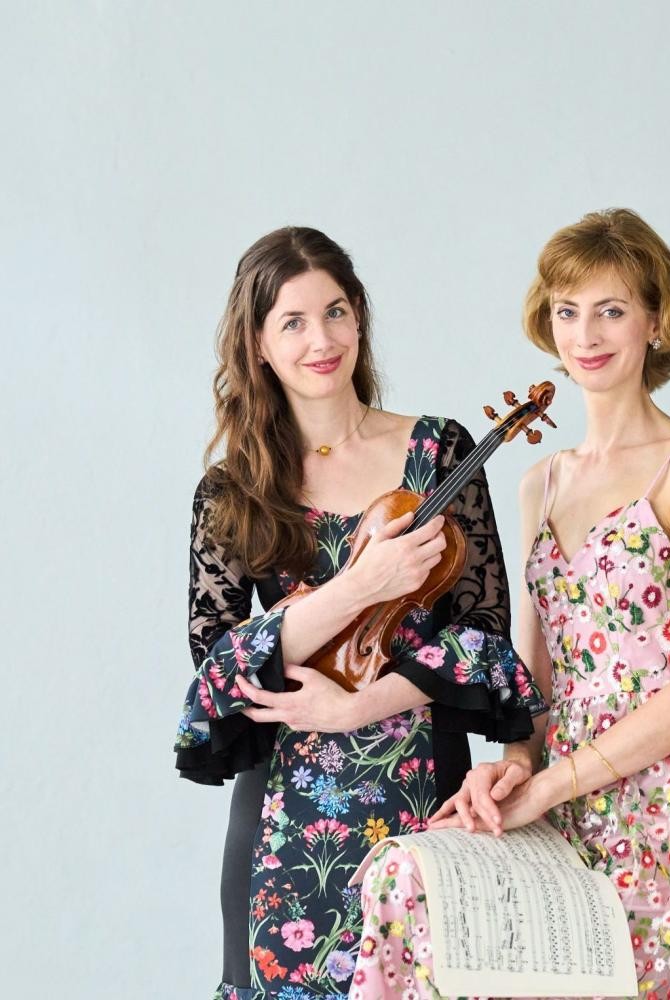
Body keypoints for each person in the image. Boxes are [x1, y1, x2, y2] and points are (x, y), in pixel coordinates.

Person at [351, 209, 670, 999]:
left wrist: (547, 784)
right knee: (406, 885)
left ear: (655, 321)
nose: (586, 334)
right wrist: (512, 771)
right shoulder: (539, 481)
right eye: (567, 311)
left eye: (611, 310)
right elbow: (536, 687)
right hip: (562, 804)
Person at [174, 226, 544, 1000]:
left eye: (336, 312)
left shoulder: (438, 453)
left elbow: (483, 637)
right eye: (293, 322)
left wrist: (356, 707)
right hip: (282, 824)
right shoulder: (232, 491)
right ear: (258, 344)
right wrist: (360, 586)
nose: (321, 340)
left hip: (425, 801)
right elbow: (219, 667)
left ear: (360, 317)